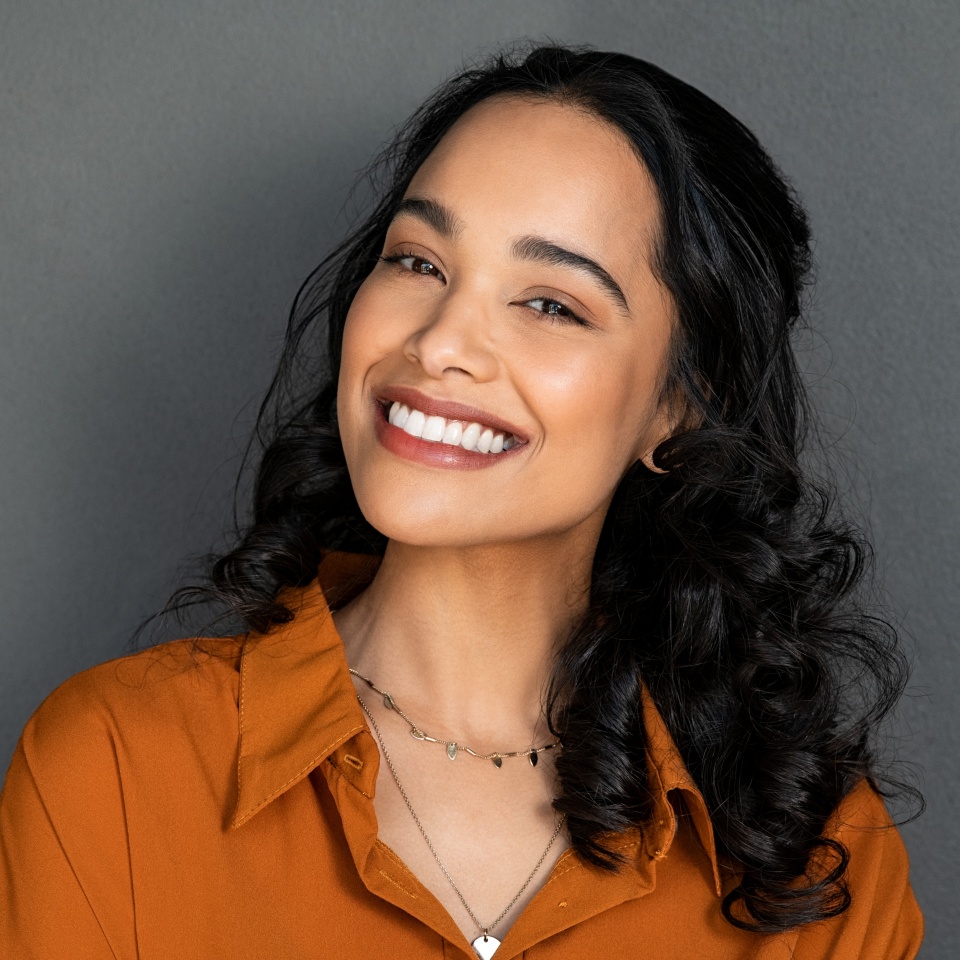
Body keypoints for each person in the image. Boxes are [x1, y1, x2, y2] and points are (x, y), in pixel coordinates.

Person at [0, 44, 922, 959]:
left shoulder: (820, 864)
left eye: (552, 304)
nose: (441, 342)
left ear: (681, 408)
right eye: (419, 261)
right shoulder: (113, 766)